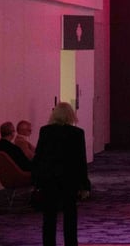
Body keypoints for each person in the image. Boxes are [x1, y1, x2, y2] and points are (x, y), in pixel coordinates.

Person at [33, 102, 90, 246]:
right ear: (71, 115)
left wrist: (36, 179)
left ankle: (48, 243)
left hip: (49, 177)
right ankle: (71, 243)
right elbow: (80, 160)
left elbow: (39, 156)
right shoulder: (77, 133)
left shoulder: (45, 131)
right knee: (70, 214)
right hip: (69, 178)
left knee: (49, 216)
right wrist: (85, 184)